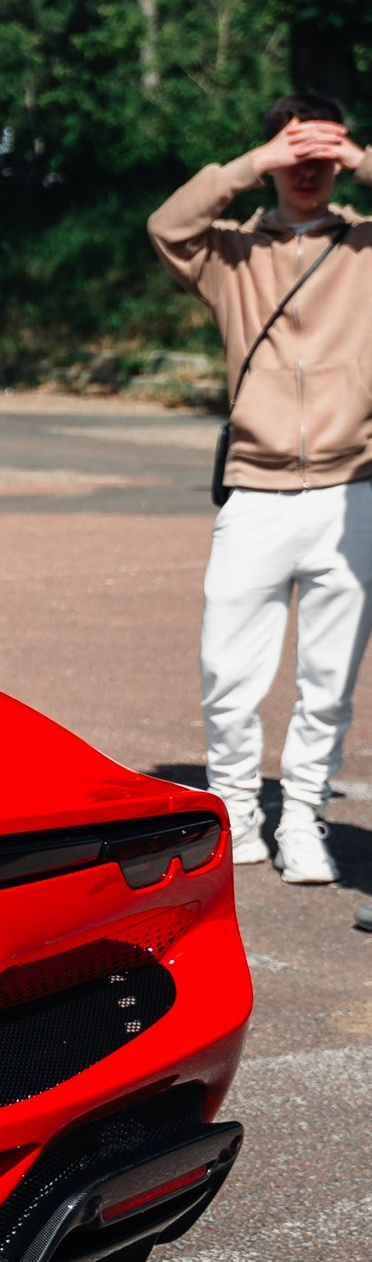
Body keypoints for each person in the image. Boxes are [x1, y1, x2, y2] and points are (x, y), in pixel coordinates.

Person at [150, 92, 372, 880]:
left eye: (323, 155)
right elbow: (164, 226)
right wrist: (250, 167)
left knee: (327, 676)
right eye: (294, 152)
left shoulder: (363, 246)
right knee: (227, 672)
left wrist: (357, 160)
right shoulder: (231, 256)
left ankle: (304, 819)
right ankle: (238, 809)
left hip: (353, 488)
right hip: (254, 487)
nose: (307, 169)